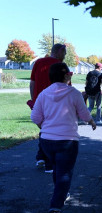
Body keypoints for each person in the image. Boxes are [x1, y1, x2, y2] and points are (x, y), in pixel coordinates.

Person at [31, 62, 96, 213]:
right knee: (64, 174)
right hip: (67, 141)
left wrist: (44, 127)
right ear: (66, 76)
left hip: (47, 141)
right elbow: (84, 113)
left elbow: (35, 117)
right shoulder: (74, 93)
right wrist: (92, 122)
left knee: (57, 169)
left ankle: (61, 193)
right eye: (69, 74)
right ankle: (55, 209)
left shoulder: (44, 94)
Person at [29, 43, 67, 173]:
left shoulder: (38, 63)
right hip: (56, 103)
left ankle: (41, 157)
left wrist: (34, 100)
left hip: (39, 102)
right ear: (59, 51)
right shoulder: (61, 66)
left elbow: (32, 83)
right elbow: (66, 86)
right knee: (52, 131)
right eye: (64, 52)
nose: (65, 55)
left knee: (45, 128)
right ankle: (49, 163)